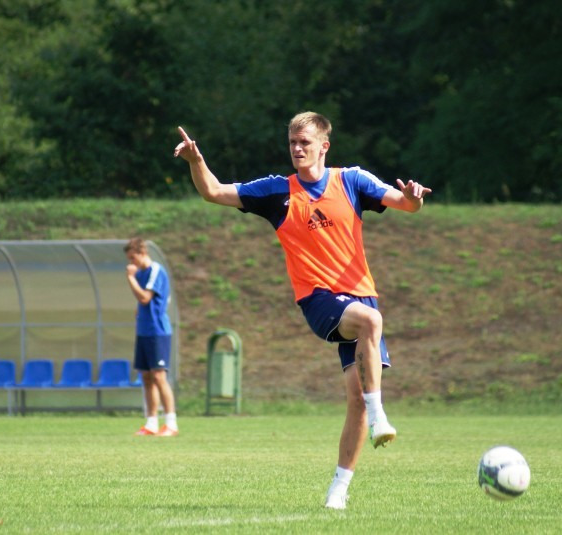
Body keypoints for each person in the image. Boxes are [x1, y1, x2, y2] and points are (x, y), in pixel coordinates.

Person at [174, 112, 431, 509]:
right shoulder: (277, 191)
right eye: (292, 142)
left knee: (356, 399)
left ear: (324, 146)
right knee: (371, 323)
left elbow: (406, 205)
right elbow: (213, 191)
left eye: (304, 142)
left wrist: (413, 197)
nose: (297, 149)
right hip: (318, 299)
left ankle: (338, 491)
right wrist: (196, 161)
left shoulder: (352, 180)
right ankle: (381, 416)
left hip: (361, 297)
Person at [124, 237, 178, 437]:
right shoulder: (140, 273)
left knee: (159, 376)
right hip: (144, 331)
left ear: (142, 253)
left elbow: (145, 298)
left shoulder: (155, 271)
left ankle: (171, 423)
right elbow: (141, 302)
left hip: (157, 330)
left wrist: (130, 278)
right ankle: (151, 423)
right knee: (146, 377)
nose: (131, 262)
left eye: (133, 258)